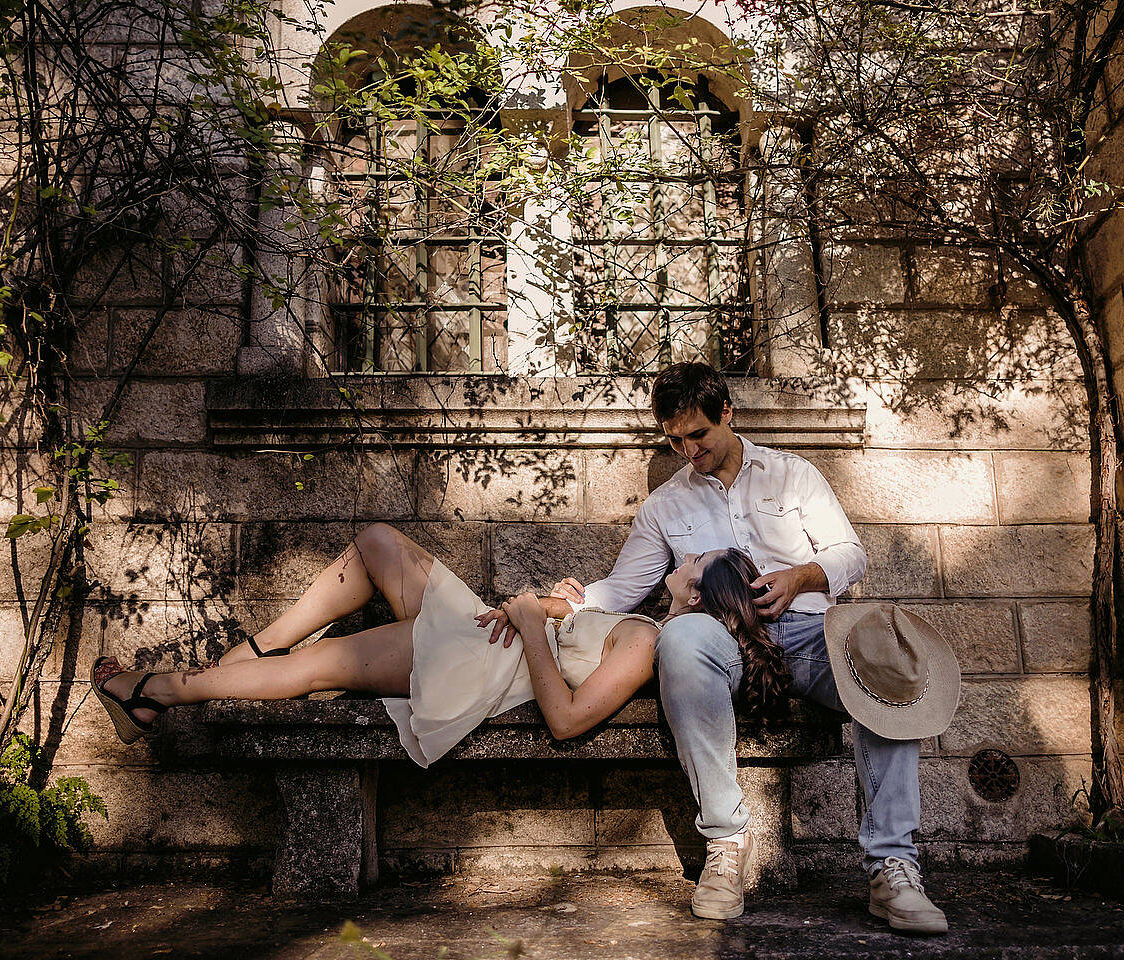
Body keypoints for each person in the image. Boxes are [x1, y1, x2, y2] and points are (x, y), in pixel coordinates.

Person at [523, 361, 953, 931]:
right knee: (678, 636)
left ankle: (892, 868)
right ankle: (725, 845)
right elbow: (623, 591)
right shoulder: (665, 506)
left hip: (807, 635)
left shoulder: (792, 475)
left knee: (886, 663)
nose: (688, 452)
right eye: (674, 440)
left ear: (728, 413)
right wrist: (566, 600)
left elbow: (851, 555)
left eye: (698, 435)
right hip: (724, 643)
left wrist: (800, 576)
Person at [90, 523, 790, 773]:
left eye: (699, 560)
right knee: (377, 544)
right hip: (490, 636)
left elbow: (567, 719)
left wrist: (527, 622)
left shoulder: (652, 643)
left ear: (697, 596)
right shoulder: (640, 623)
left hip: (478, 663)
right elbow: (567, 626)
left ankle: (157, 690)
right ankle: (243, 658)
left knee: (316, 670)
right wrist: (545, 608)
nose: (688, 554)